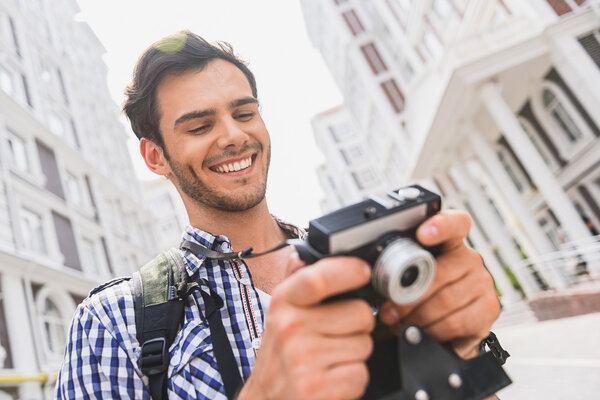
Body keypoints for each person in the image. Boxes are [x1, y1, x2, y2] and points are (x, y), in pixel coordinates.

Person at [55, 30, 500, 399]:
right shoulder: (112, 322)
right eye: (199, 126)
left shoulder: (368, 262)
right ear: (156, 157)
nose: (233, 135)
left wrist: (459, 348)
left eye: (244, 112)